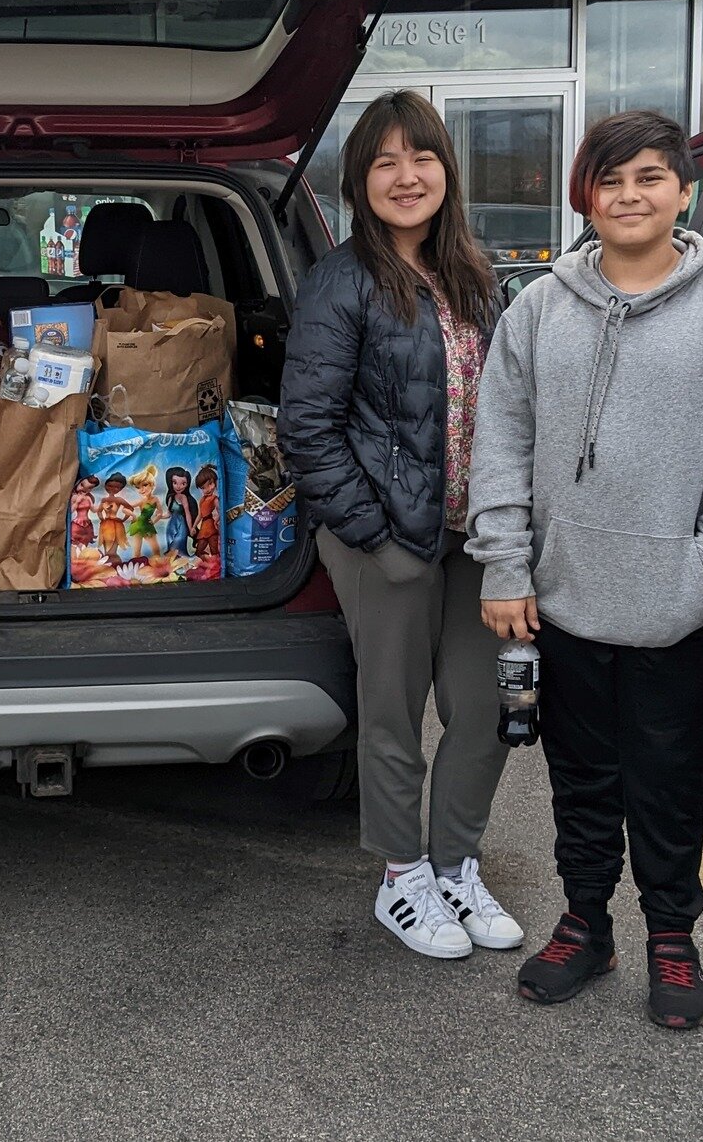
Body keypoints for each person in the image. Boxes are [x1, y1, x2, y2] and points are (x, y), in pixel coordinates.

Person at [466, 109, 703, 1027]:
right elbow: (502, 439)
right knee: (580, 776)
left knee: (669, 776)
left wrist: (701, 579)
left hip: (677, 610)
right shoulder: (537, 307)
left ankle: (671, 938)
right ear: (587, 197)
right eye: (610, 180)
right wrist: (504, 564)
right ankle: (585, 923)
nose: (629, 195)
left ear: (683, 190)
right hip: (561, 598)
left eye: (650, 177)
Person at [280, 89, 523, 960]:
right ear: (358, 180)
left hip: (472, 533)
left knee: (490, 705)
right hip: (383, 538)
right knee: (393, 713)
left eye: (421, 158)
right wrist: (375, 538)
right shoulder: (339, 282)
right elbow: (305, 427)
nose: (406, 176)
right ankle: (402, 878)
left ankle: (456, 863)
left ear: (446, 173)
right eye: (384, 161)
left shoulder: (476, 274)